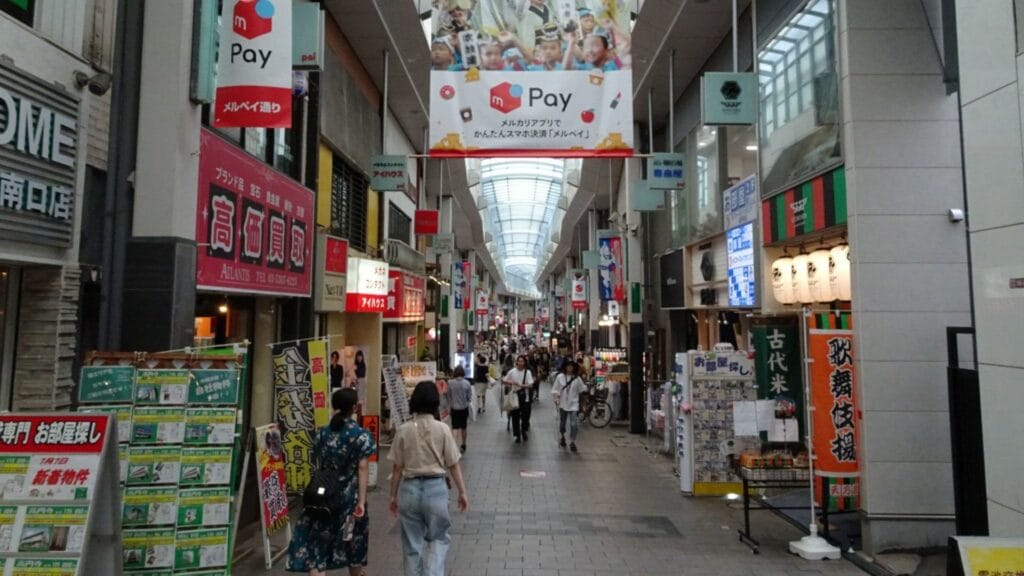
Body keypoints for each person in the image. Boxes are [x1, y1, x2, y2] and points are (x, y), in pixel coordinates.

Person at [288, 388, 376, 576]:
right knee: (353, 541)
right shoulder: (361, 435)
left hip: (323, 493)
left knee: (318, 542)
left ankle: (317, 571)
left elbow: (319, 460)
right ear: (354, 407)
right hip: (348, 497)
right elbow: (362, 468)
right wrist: (361, 501)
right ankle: (356, 573)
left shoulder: (321, 433)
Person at [389, 382, 469, 576]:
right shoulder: (442, 429)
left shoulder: (404, 430)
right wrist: (462, 492)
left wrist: (393, 496)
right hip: (436, 489)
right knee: (438, 539)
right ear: (435, 401)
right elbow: (453, 464)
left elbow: (397, 467)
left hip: (409, 489)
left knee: (411, 545)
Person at [552, 361, 587, 453]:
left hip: (573, 404)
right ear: (565, 367)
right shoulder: (560, 377)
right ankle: (562, 436)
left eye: (571, 367)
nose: (570, 368)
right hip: (563, 403)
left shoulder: (577, 379)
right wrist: (556, 397)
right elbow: (555, 389)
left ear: (574, 368)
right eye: (568, 366)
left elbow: (582, 389)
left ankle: (572, 441)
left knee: (573, 424)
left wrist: (586, 387)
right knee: (562, 423)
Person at [502, 355, 535, 443]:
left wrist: (521, 385)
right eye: (519, 361)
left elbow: (531, 385)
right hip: (515, 396)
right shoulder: (512, 371)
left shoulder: (527, 372)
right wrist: (512, 382)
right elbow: (504, 380)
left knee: (525, 416)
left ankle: (523, 430)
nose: (520, 363)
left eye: (522, 361)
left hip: (525, 397)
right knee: (515, 416)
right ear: (516, 362)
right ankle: (517, 434)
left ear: (524, 363)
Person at [447, 366, 473, 452]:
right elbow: (469, 397)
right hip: (464, 408)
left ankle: (454, 446)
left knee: (455, 427)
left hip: (454, 408)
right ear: (463, 373)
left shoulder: (450, 383)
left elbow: (448, 396)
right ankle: (463, 444)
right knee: (463, 427)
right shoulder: (467, 383)